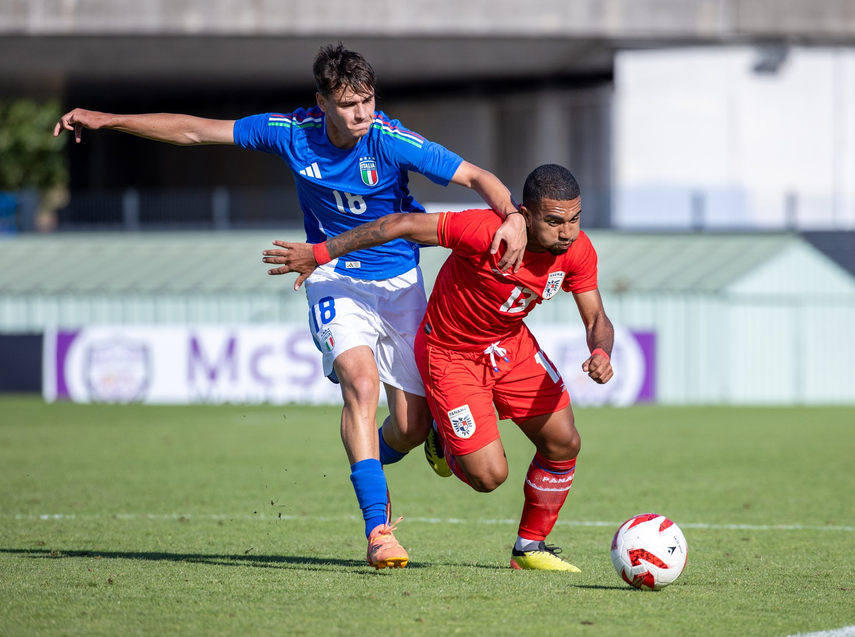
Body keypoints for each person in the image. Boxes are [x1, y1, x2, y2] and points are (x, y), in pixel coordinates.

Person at [54, 43, 526, 569]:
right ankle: (378, 530)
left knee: (412, 427)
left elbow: (477, 177)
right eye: (349, 104)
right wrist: (108, 120)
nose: (363, 113)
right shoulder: (290, 133)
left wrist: (513, 216)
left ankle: (373, 455)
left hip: (399, 286)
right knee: (360, 385)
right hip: (331, 276)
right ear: (322, 103)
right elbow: (195, 130)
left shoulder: (390, 139)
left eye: (368, 100)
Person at [263, 163, 615, 571]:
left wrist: (601, 351)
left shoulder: (577, 250)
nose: (567, 232)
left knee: (564, 443)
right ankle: (439, 437)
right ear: (526, 214)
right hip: (451, 355)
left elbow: (596, 318)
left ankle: (529, 548)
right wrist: (321, 253)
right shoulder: (484, 231)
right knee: (489, 477)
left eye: (574, 219)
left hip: (510, 346)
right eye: (554, 222)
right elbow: (401, 224)